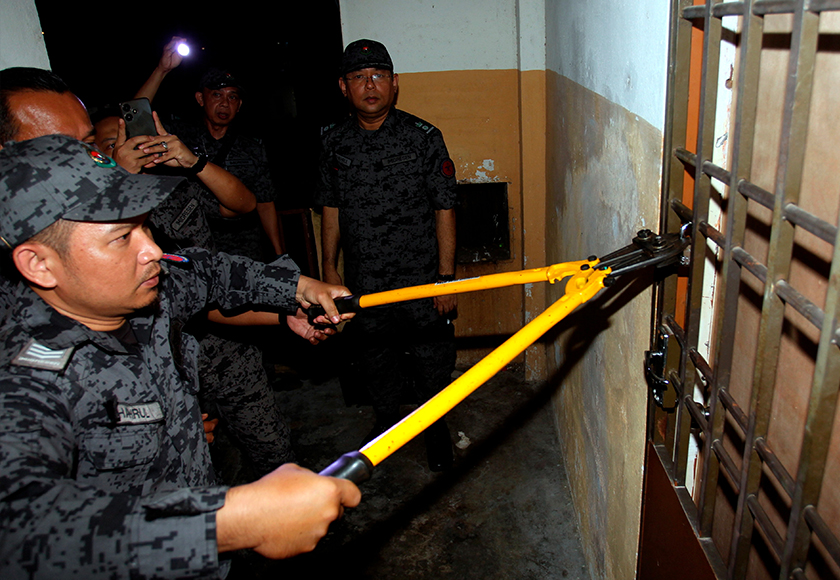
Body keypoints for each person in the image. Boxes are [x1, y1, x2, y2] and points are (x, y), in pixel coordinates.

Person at [0, 134, 360, 578]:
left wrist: (299, 289)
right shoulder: (21, 378)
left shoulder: (139, 288)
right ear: (39, 263)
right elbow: (22, 535)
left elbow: (209, 272)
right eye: (120, 237)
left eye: (144, 226)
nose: (152, 250)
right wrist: (227, 523)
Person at [315, 39, 458, 471]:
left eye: (378, 76)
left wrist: (446, 278)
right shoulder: (333, 142)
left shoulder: (424, 138)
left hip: (420, 275)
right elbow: (330, 208)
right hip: (366, 279)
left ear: (395, 84)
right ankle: (387, 430)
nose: (369, 85)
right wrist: (327, 267)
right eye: (358, 77)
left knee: (433, 358)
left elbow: (445, 207)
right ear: (343, 87)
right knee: (376, 360)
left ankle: (436, 430)